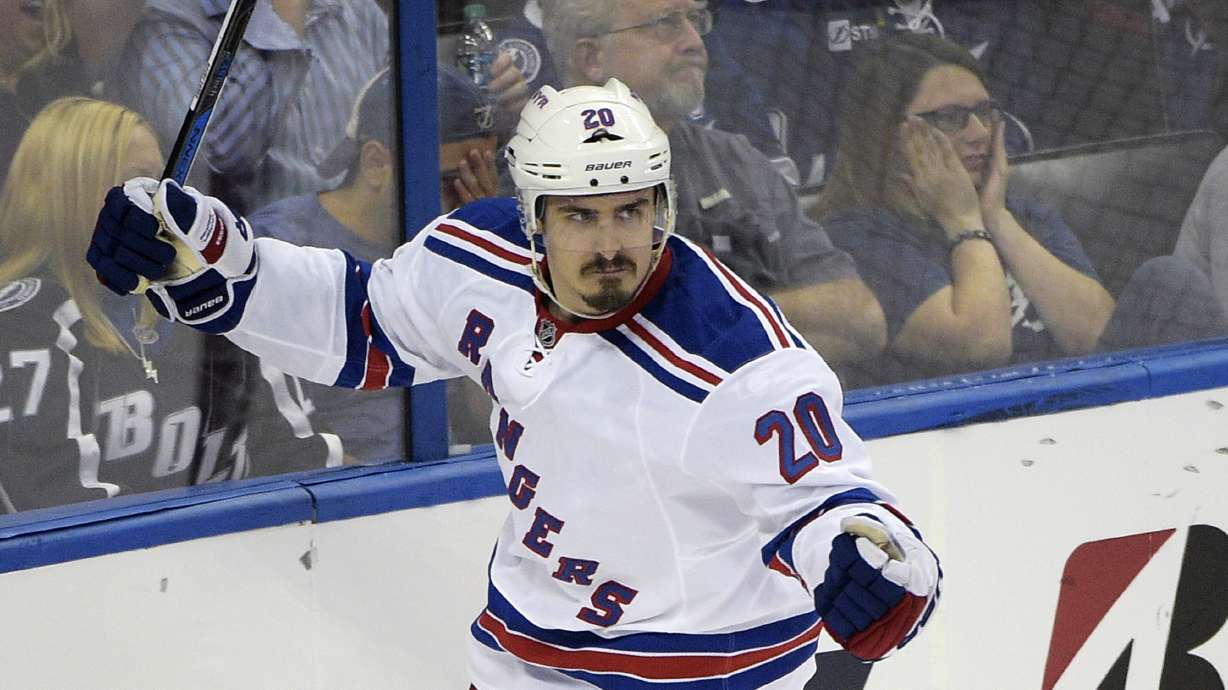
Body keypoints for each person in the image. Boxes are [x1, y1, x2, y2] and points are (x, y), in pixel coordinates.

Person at [87, 79, 941, 688]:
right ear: (531, 219)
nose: (611, 244)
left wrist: (875, 565)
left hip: (706, 672)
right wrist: (212, 258)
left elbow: (834, 503)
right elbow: (361, 320)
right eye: (579, 215)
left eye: (630, 211)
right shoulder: (479, 258)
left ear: (662, 210)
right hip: (523, 653)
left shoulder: (734, 360)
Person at [0, 97, 338, 512]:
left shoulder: (210, 298)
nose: (159, 203)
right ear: (73, 192)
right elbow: (55, 507)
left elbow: (304, 462)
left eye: (161, 184)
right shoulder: (26, 322)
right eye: (138, 183)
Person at [540, 0, 887, 369]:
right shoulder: (535, 185)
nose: (696, 42)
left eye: (696, 20)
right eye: (665, 24)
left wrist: (691, 315)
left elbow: (861, 319)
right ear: (592, 57)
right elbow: (545, 366)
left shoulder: (734, 162)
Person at [813, 34, 1117, 385]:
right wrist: (963, 220)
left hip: (1079, 410)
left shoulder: (1024, 215)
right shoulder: (854, 237)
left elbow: (1102, 337)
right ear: (889, 135)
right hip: (962, 427)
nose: (979, 132)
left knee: (1165, 279)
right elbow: (981, 347)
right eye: (949, 117)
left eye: (985, 112)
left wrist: (998, 220)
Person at [114, 0, 391, 212]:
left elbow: (404, 144)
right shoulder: (166, 26)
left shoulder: (359, 13)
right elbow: (223, 149)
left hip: (365, 258)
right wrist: (281, 17)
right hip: (249, 271)